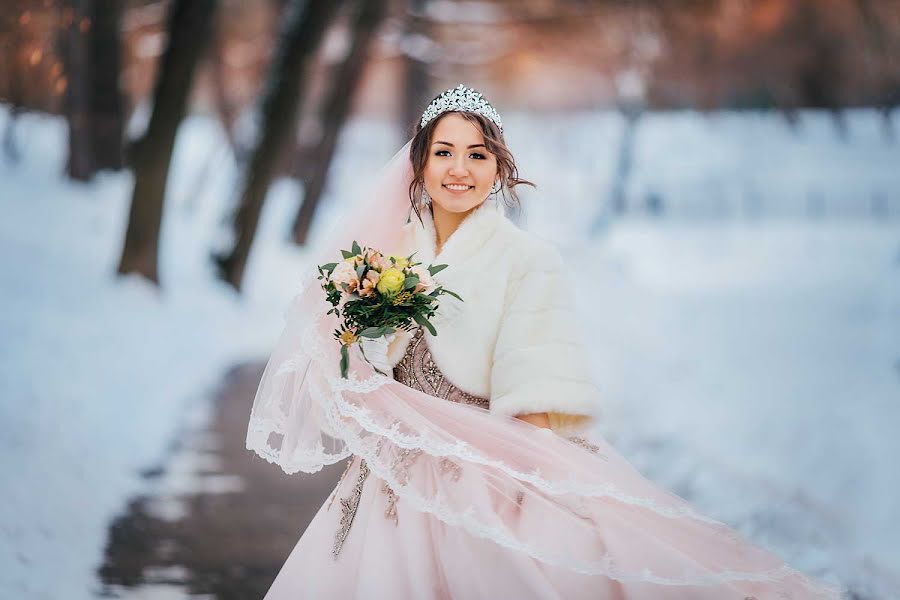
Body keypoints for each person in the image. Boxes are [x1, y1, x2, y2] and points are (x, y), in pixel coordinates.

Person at [247, 84, 843, 599]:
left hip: (488, 468)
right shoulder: (386, 255)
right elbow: (351, 361)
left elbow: (534, 384)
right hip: (392, 478)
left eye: (477, 155)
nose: (459, 169)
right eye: (444, 153)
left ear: (499, 165)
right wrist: (365, 339)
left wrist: (526, 494)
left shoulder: (528, 259)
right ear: (420, 164)